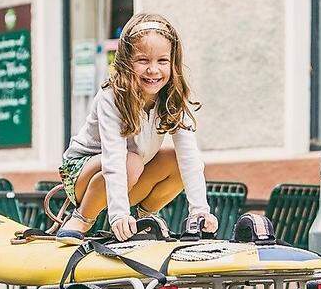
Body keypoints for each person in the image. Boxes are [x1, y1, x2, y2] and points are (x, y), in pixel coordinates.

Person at [56, 13, 217, 241]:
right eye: (143, 61)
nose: (153, 70)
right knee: (128, 161)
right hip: (83, 173)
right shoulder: (112, 97)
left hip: (131, 172)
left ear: (173, 63)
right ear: (126, 62)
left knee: (177, 161)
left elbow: (190, 157)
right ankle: (82, 218)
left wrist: (200, 211)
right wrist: (119, 214)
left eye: (162, 61)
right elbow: (113, 157)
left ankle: (145, 218)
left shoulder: (173, 99)